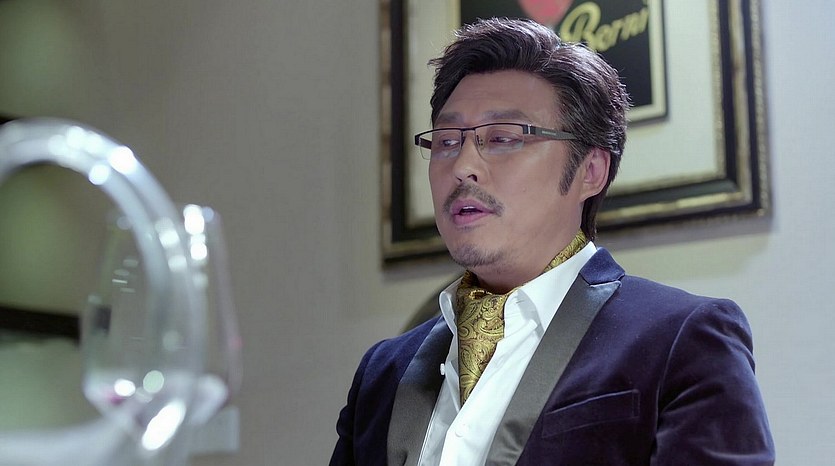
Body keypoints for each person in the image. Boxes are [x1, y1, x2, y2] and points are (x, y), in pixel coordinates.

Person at [330, 17, 774, 465]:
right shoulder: (382, 372)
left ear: (590, 171)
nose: (463, 166)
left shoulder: (681, 339)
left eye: (502, 138)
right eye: (447, 141)